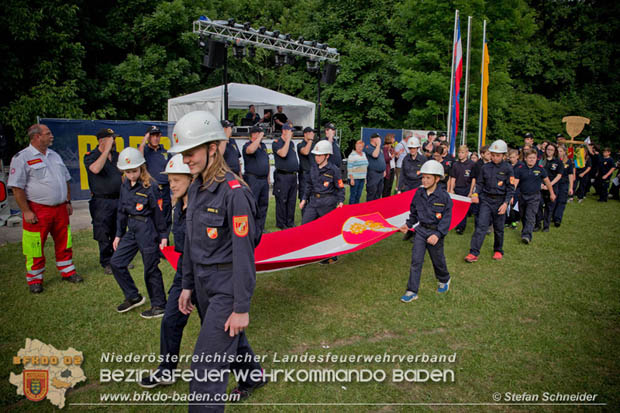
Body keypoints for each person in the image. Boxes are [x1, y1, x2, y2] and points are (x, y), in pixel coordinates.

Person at [173, 111, 266, 409]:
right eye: (183, 155)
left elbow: (244, 253)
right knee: (227, 339)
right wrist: (187, 284)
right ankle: (252, 376)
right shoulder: (197, 187)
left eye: (190, 153)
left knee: (205, 366)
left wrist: (241, 307)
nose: (186, 160)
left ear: (212, 147)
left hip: (226, 287)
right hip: (202, 285)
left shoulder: (234, 193)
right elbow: (190, 241)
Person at [139, 154, 203, 387]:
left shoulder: (201, 206)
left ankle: (251, 374)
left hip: (205, 276)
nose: (172, 185)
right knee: (170, 321)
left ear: (191, 178)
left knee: (218, 329)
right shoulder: (179, 205)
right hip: (186, 272)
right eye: (170, 180)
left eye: (177, 179)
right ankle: (166, 371)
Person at [8, 124, 82, 293]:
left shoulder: (54, 155)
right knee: (34, 245)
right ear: (36, 137)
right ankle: (35, 279)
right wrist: (26, 211)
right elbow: (17, 188)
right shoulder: (22, 158)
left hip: (60, 208)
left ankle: (67, 271)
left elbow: (66, 180)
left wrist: (67, 201)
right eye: (48, 134)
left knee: (65, 241)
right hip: (37, 209)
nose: (52, 136)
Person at [111, 147, 168, 318]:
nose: (131, 175)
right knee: (116, 262)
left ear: (141, 168)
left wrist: (164, 235)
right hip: (132, 228)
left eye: (134, 171)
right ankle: (133, 296)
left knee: (150, 268)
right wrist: (118, 234)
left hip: (147, 229)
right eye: (127, 172)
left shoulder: (151, 187)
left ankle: (159, 304)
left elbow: (159, 214)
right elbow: (121, 211)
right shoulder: (125, 186)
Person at [399, 160, 452, 302]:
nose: (425, 180)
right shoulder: (419, 193)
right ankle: (412, 291)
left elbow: (446, 219)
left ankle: (444, 279)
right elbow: (414, 213)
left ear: (437, 178)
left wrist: (438, 234)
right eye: (423, 177)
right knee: (416, 261)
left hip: (435, 233)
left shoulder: (444, 197)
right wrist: (407, 224)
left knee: (438, 260)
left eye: (428, 177)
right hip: (421, 231)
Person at [465, 139, 514, 262]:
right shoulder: (485, 168)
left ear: (503, 155)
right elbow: (480, 183)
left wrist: (505, 203)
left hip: (500, 201)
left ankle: (498, 250)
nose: (495, 157)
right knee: (480, 226)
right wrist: (475, 194)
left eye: (498, 155)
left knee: (498, 228)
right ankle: (473, 253)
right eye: (493, 155)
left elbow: (510, 188)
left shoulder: (508, 169)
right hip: (486, 201)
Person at [84, 128, 123, 274]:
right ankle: (107, 261)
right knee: (103, 231)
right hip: (102, 202)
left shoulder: (117, 156)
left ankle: (118, 259)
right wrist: (105, 151)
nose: (114, 142)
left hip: (118, 199)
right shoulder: (91, 155)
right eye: (111, 139)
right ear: (102, 141)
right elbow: (95, 169)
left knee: (118, 229)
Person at [300, 140, 345, 264]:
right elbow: (308, 185)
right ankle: (306, 253)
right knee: (305, 225)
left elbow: (340, 187)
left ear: (327, 156)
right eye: (316, 155)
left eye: (320, 155)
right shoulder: (313, 168)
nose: (317, 158)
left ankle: (331, 255)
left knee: (327, 230)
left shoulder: (334, 170)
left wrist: (341, 201)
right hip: (313, 202)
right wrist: (304, 199)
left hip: (327, 202)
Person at [513, 150, 556, 244]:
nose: (531, 160)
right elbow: (515, 183)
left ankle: (527, 235)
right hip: (522, 196)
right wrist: (511, 194)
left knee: (530, 216)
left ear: (536, 159)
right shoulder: (520, 169)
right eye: (529, 158)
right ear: (525, 159)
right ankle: (525, 229)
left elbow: (547, 182)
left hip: (534, 197)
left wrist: (552, 193)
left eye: (533, 158)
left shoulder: (540, 169)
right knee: (523, 215)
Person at [139, 125, 172, 231]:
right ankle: (154, 242)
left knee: (166, 217)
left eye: (157, 135)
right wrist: (144, 139)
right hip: (151, 189)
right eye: (152, 135)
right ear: (148, 137)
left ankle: (164, 242)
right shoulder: (145, 151)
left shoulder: (165, 152)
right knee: (153, 217)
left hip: (165, 189)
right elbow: (139, 159)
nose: (155, 138)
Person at [242, 125, 270, 233]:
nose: (261, 136)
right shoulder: (247, 145)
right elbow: (250, 150)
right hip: (253, 179)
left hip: (263, 180)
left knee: (263, 204)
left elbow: (266, 162)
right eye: (259, 133)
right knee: (253, 204)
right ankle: (251, 227)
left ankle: (260, 227)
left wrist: (268, 178)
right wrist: (258, 138)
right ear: (254, 134)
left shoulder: (263, 146)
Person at [272, 124, 299, 229]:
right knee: (282, 200)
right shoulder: (277, 143)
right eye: (290, 131)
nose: (292, 133)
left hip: (292, 175)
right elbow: (283, 154)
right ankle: (281, 223)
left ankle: (290, 222)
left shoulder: (291, 143)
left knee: (292, 200)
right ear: (284, 131)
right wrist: (287, 140)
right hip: (283, 176)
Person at [448, 145, 475, 234]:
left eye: (462, 152)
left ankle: (461, 227)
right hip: (457, 188)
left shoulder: (471, 164)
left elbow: (473, 179)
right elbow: (453, 178)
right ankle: (456, 224)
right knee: (456, 208)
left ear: (467, 153)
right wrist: (451, 189)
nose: (460, 154)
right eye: (459, 152)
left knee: (464, 209)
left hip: (467, 188)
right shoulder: (455, 164)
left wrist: (471, 191)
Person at [536, 143, 563, 232]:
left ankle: (546, 226)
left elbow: (559, 175)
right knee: (538, 204)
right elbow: (537, 172)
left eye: (551, 150)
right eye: (548, 149)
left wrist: (549, 185)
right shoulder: (541, 160)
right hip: (541, 186)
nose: (549, 151)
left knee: (549, 207)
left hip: (552, 187)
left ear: (554, 151)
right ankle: (538, 224)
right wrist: (540, 184)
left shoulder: (558, 161)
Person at [552, 145, 574, 226]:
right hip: (554, 183)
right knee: (554, 200)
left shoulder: (568, 162)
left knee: (561, 201)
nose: (559, 153)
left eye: (561, 151)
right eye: (558, 151)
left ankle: (558, 219)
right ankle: (552, 215)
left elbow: (570, 175)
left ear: (565, 152)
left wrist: (571, 187)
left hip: (563, 184)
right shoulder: (554, 161)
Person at [505, 148, 523, 230]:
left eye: (513, 157)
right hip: (507, 187)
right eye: (510, 157)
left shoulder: (521, 166)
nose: (511, 159)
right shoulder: (507, 165)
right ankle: (507, 221)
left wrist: (512, 191)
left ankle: (514, 221)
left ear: (517, 157)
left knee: (513, 204)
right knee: (507, 204)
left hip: (517, 188)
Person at [364, 133, 386, 201]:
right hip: (373, 174)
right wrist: (378, 145)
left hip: (381, 173)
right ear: (373, 139)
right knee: (372, 192)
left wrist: (384, 169)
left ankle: (375, 208)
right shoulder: (369, 147)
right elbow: (375, 155)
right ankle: (369, 209)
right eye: (378, 138)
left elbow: (382, 159)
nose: (379, 140)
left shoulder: (379, 148)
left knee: (378, 192)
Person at [347, 140, 369, 204]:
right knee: (353, 195)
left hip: (362, 178)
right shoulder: (352, 155)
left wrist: (365, 178)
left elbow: (365, 166)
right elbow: (349, 168)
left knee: (359, 195)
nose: (359, 148)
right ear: (355, 146)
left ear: (363, 147)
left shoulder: (364, 154)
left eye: (361, 146)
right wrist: (351, 179)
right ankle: (351, 209)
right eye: (358, 146)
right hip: (354, 178)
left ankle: (356, 209)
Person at [297, 127, 315, 204]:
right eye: (310, 133)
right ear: (305, 134)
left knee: (313, 196)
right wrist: (310, 140)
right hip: (305, 174)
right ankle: (305, 215)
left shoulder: (314, 144)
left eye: (313, 133)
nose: (313, 135)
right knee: (304, 196)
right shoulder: (300, 144)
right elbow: (305, 152)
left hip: (314, 173)